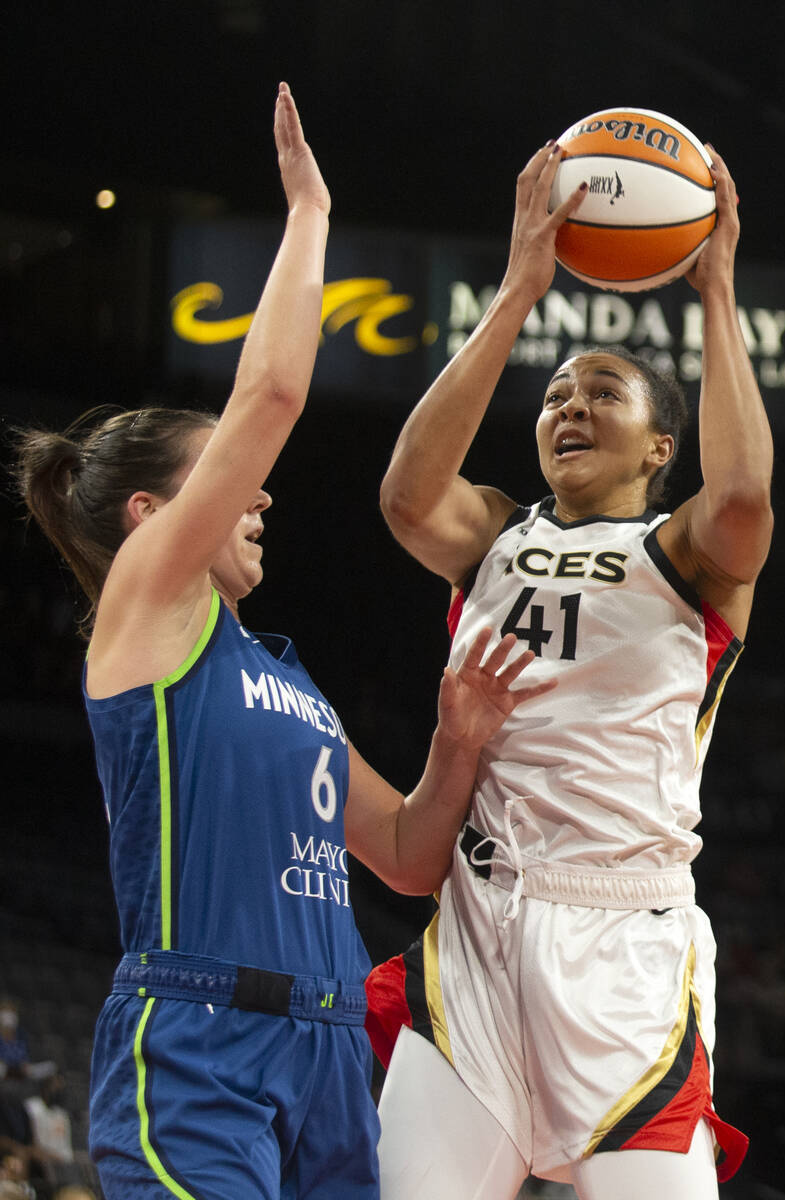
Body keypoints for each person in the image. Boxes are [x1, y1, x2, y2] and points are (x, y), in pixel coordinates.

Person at [12, 85, 552, 1200]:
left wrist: (457, 746)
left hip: (326, 1050)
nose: (259, 502)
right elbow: (271, 392)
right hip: (200, 1041)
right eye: (232, 483)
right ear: (151, 520)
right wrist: (309, 212)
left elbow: (403, 855)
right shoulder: (146, 616)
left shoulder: (285, 681)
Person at [367, 137, 773, 1200]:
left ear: (657, 449)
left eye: (601, 391)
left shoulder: (685, 554)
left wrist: (715, 292)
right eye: (553, 394)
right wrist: (518, 291)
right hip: (478, 926)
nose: (567, 406)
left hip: (621, 937)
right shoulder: (491, 531)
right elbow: (407, 497)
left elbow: (740, 500)